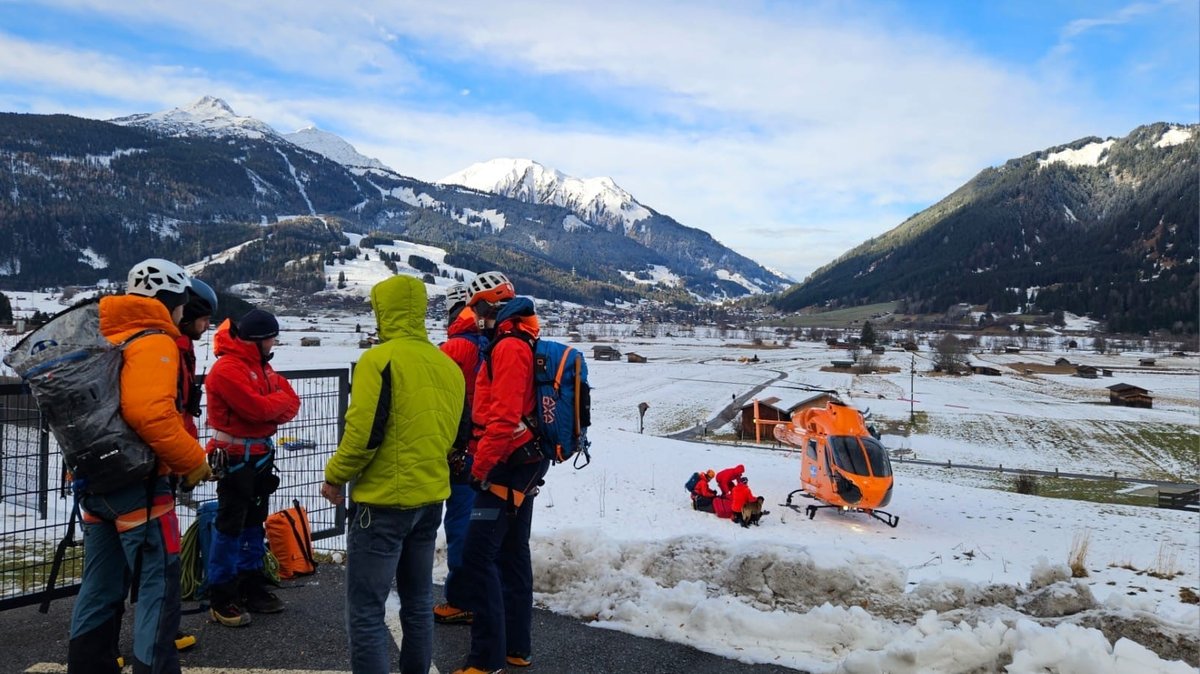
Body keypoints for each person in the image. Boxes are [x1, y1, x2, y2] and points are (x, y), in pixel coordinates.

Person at [68, 258, 212, 674]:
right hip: (140, 488)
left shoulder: (105, 336)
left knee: (99, 587)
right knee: (158, 588)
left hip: (95, 482)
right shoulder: (155, 341)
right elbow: (149, 413)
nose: (185, 311)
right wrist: (194, 462)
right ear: (169, 300)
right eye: (182, 302)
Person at [321, 275, 464, 674]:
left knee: (367, 610)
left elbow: (363, 435)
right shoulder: (447, 365)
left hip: (382, 504)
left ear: (383, 311)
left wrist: (335, 476)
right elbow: (455, 435)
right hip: (430, 499)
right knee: (418, 604)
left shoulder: (378, 360)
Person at [453, 271, 550, 674]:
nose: (472, 316)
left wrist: (479, 466)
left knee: (478, 558)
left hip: (507, 466)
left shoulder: (508, 347)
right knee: (512, 555)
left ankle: (486, 658)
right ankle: (516, 648)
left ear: (489, 306)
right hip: (523, 463)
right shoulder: (520, 340)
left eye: (475, 308)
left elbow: (504, 417)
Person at [204, 308, 300, 627]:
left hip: (257, 457)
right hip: (234, 459)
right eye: (271, 338)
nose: (274, 343)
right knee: (230, 525)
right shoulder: (227, 369)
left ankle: (249, 583)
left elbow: (292, 401)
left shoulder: (259, 366)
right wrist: (273, 406)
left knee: (252, 524)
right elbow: (258, 409)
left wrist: (270, 408)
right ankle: (222, 594)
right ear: (258, 340)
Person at [168, 277, 218, 653]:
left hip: (166, 463)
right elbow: (167, 416)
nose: (206, 325)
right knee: (158, 559)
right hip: (158, 467)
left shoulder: (180, 349)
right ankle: (154, 640)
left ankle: (98, 650)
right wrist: (189, 462)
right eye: (202, 318)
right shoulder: (168, 351)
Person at [434, 283, 488, 625]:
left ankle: (462, 600)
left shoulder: (453, 348)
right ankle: (481, 594)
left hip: (459, 451)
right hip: (490, 449)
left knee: (459, 525)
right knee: (482, 525)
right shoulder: (492, 343)